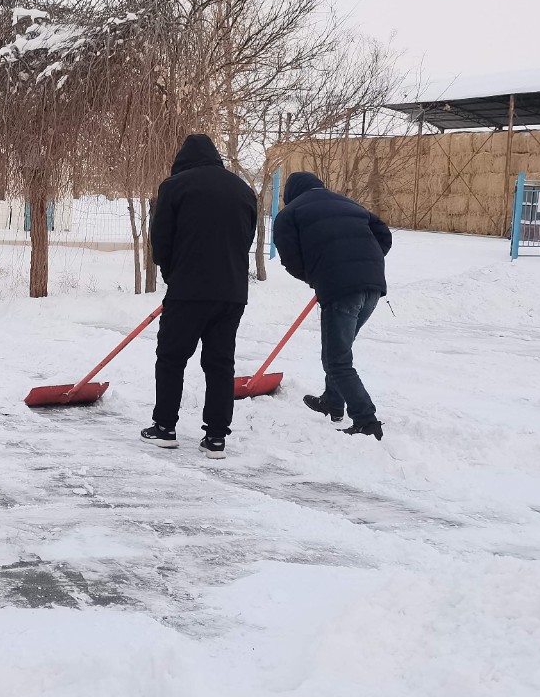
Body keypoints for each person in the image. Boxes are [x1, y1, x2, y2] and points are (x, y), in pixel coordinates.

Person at [142, 134, 258, 459]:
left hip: (188, 291)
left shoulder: (175, 187)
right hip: (232, 294)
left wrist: (172, 275)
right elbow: (246, 236)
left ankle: (164, 427)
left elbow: (161, 239)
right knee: (220, 364)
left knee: (171, 358)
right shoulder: (243, 189)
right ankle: (216, 438)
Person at [272, 171, 391, 440]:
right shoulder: (349, 204)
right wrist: (364, 263)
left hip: (341, 289)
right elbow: (383, 234)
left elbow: (290, 259)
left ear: (290, 194)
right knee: (341, 350)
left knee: (336, 359)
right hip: (372, 286)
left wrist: (318, 275)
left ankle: (365, 420)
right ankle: (333, 402)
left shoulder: (290, 214)